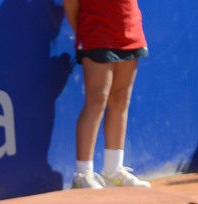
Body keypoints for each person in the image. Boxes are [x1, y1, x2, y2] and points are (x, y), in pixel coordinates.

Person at [64, 0, 152, 189]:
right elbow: (70, 3)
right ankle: (82, 174)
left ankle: (113, 170)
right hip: (97, 33)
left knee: (120, 101)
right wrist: (81, 33)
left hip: (130, 29)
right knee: (96, 101)